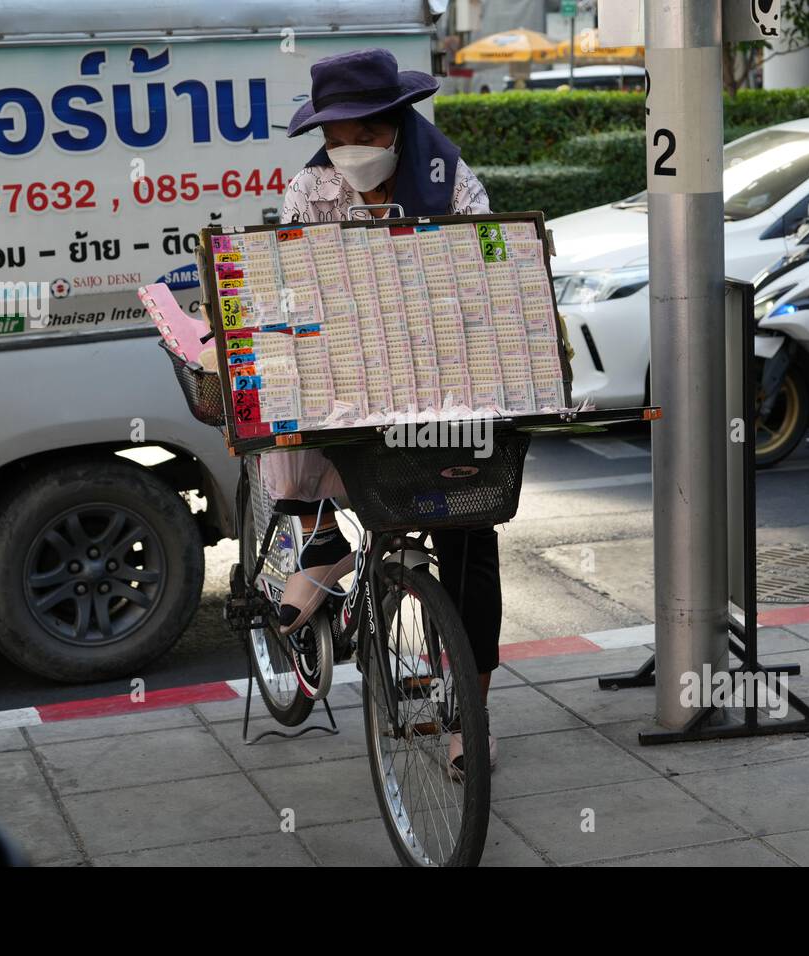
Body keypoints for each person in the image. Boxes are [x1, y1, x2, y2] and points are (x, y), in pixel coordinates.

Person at [273, 48, 499, 778]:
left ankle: (471, 717)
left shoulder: (451, 180)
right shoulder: (308, 190)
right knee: (277, 395)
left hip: (442, 382)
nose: (350, 152)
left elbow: (494, 274)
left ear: (397, 127)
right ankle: (320, 539)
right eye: (337, 137)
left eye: (365, 135)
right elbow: (288, 294)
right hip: (346, 377)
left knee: (469, 535)